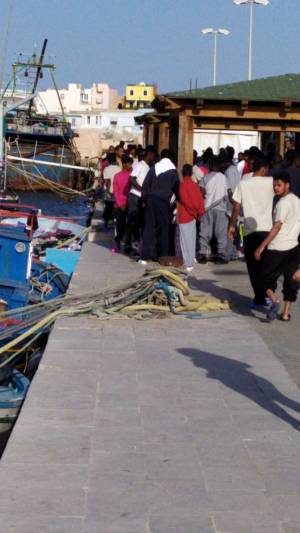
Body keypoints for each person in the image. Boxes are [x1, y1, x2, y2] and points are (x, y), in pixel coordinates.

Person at [255, 172, 300, 321]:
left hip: (278, 248)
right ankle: (286, 314)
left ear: (287, 185)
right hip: (293, 246)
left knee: (262, 278)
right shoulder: (297, 201)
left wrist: (262, 246)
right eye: (274, 184)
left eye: (279, 185)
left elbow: (276, 227)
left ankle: (274, 301)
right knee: (291, 280)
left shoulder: (282, 203)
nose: (276, 188)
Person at [229, 158, 273, 307]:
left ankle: (259, 297)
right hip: (267, 231)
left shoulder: (244, 183)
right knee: (267, 264)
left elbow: (236, 207)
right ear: (265, 168)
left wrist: (232, 226)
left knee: (253, 267)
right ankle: (269, 292)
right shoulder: (271, 182)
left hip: (249, 231)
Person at [140, 149, 179, 264]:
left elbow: (145, 185)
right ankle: (163, 256)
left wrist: (144, 199)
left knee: (149, 228)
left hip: (150, 200)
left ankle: (144, 257)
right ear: (171, 159)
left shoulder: (153, 168)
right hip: (163, 202)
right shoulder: (172, 171)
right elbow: (176, 188)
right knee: (164, 229)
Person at [125, 145, 157, 253]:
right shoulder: (140, 165)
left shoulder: (148, 167)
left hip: (142, 198)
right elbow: (132, 179)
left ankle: (137, 244)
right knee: (132, 222)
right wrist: (142, 189)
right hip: (135, 196)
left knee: (139, 222)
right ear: (150, 154)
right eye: (154, 156)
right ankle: (129, 245)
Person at [198, 155, 228, 264]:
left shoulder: (205, 178)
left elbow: (201, 192)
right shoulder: (223, 177)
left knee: (205, 230)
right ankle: (221, 255)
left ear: (210, 166)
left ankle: (202, 254)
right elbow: (227, 193)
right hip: (220, 208)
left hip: (207, 208)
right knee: (221, 232)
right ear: (219, 166)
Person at [178, 164, 205, 272]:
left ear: (182, 172)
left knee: (185, 240)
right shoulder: (195, 185)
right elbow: (200, 200)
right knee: (192, 238)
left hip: (186, 215)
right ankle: (192, 258)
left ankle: (188, 263)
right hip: (194, 216)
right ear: (192, 173)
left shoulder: (183, 185)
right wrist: (199, 213)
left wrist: (194, 212)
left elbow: (185, 201)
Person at [112, 155, 133, 253]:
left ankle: (128, 245)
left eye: (131, 164)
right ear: (124, 164)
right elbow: (115, 192)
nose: (130, 165)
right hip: (119, 205)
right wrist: (120, 204)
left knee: (129, 225)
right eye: (129, 164)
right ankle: (117, 241)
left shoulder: (132, 176)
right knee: (120, 226)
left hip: (129, 204)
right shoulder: (117, 176)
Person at [102, 153, 121, 228]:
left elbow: (107, 181)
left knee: (108, 208)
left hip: (109, 192)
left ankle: (106, 224)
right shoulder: (119, 168)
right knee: (115, 208)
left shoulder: (107, 169)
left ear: (108, 160)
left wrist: (109, 192)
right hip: (117, 191)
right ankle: (115, 222)